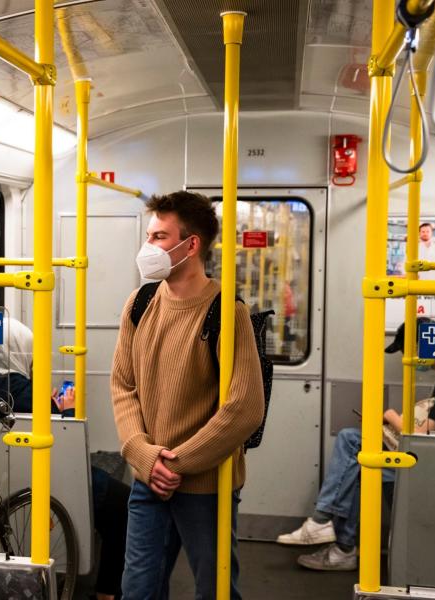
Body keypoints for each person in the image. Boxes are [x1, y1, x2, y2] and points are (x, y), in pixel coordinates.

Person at [111, 191, 265, 600]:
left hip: (206, 483)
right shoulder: (140, 303)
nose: (149, 247)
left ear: (190, 244)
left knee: (214, 591)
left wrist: (177, 463)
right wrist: (145, 456)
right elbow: (123, 386)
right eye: (149, 236)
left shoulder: (226, 312)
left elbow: (245, 406)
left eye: (160, 237)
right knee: (138, 590)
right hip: (148, 476)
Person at [278, 318, 435, 571]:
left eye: (407, 351)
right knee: (352, 443)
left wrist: (390, 416)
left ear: (422, 346)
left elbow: (419, 435)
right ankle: (330, 531)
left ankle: (334, 536)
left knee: (359, 460)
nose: (405, 358)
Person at [0, 317, 129, 600]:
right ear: (18, 349)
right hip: (50, 474)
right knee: (123, 504)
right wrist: (69, 408)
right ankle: (107, 593)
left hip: (2, 477)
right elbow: (66, 441)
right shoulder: (22, 389)